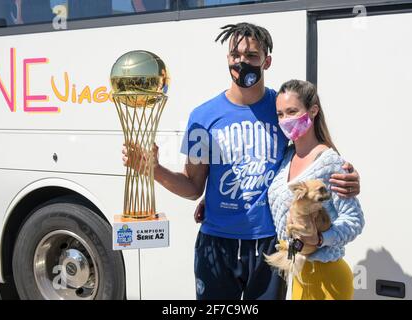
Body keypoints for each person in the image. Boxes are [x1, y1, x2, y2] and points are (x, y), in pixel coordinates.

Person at [123, 22, 360, 300]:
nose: (241, 62)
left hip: (270, 246)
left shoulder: (280, 110)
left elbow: (310, 155)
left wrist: (349, 180)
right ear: (227, 58)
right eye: (235, 55)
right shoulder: (203, 116)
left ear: (266, 61)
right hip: (216, 244)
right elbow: (192, 187)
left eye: (251, 56)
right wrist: (154, 169)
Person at [268, 79, 365, 300]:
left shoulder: (330, 162)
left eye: (292, 111)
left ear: (313, 111)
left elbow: (354, 220)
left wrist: (321, 239)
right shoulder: (285, 158)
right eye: (280, 114)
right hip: (300, 274)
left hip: (327, 276)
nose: (285, 120)